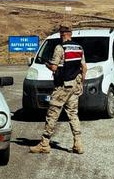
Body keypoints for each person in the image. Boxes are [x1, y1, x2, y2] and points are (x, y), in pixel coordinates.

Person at [31, 24, 87, 154]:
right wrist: (81, 84)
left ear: (62, 34)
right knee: (73, 114)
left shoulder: (60, 48)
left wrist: (47, 63)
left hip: (62, 86)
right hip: (75, 85)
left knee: (53, 113)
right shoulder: (79, 48)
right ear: (71, 34)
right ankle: (78, 144)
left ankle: (44, 144)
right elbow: (84, 68)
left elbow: (54, 68)